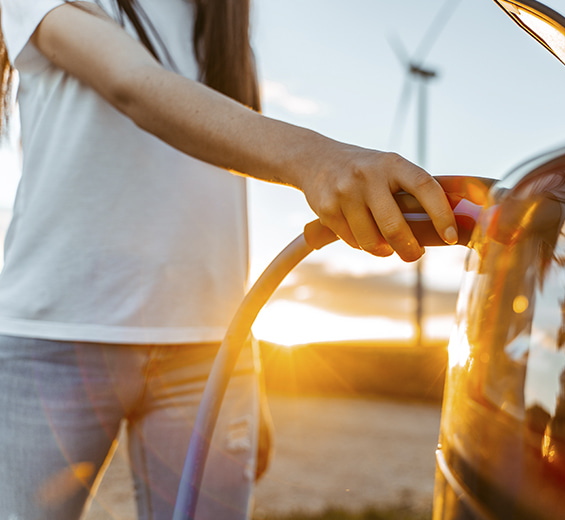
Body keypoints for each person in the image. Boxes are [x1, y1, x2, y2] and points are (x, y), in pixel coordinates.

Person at [0, 1, 459, 518]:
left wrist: (245, 358)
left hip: (209, 353)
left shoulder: (222, 18)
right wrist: (317, 158)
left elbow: (220, 201)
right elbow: (131, 82)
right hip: (54, 338)